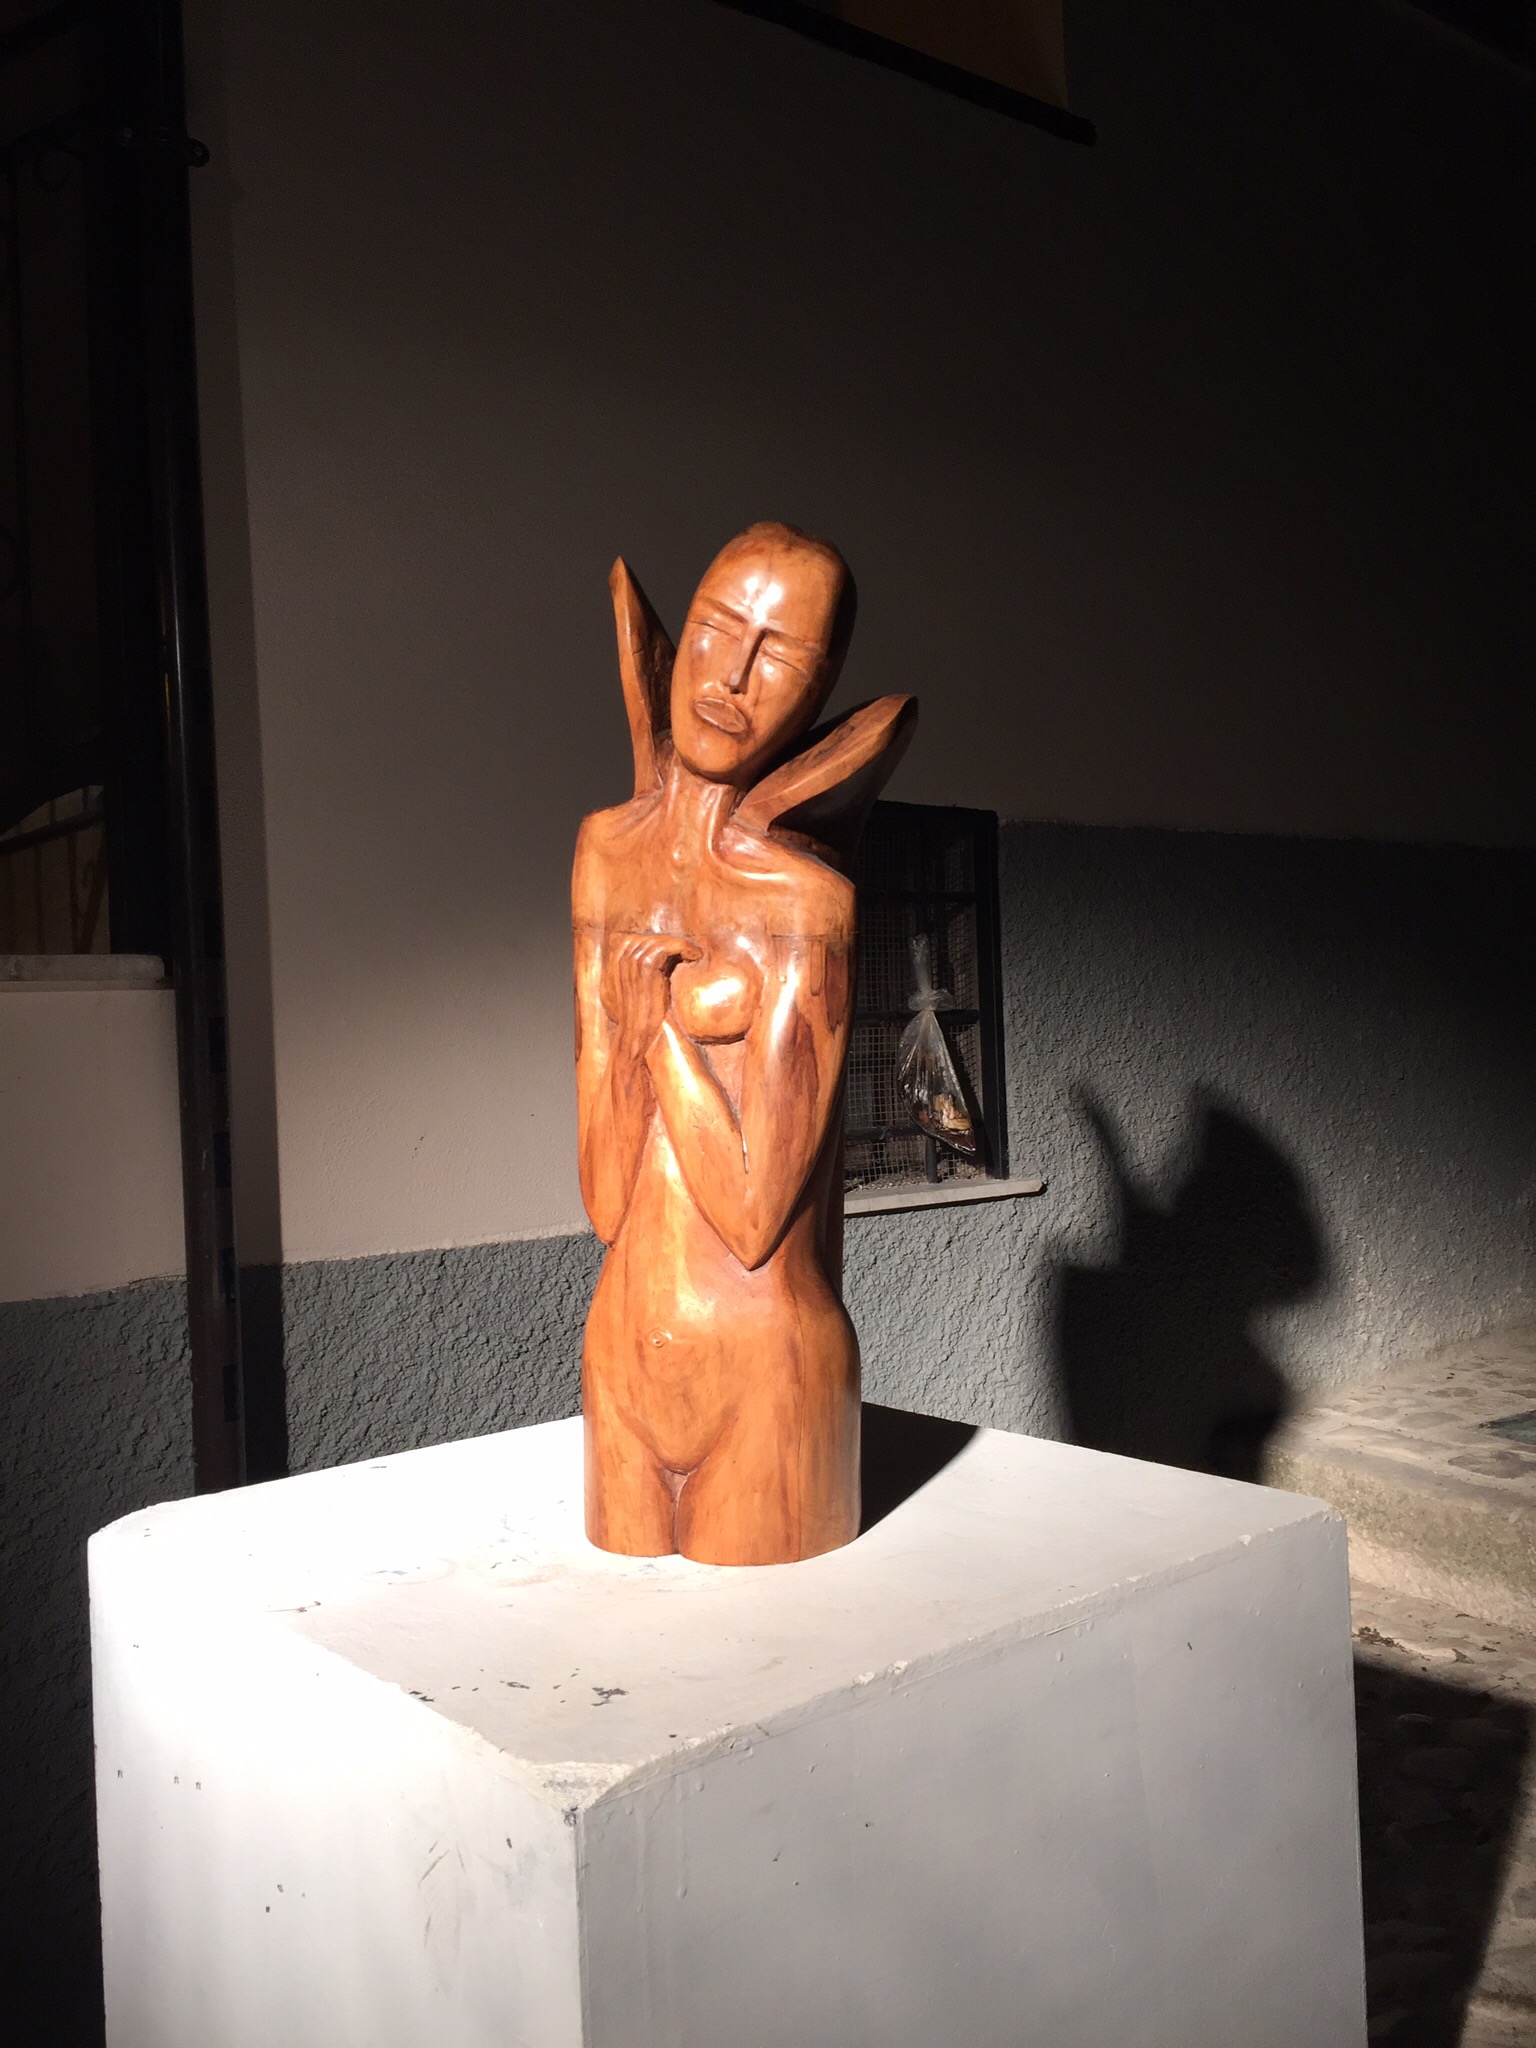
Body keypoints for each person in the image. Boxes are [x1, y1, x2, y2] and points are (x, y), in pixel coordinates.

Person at [573, 521, 913, 1563]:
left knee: (759, 1649)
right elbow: (603, 1198)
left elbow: (757, 1212)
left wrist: (657, 1041)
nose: (733, 677)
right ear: (680, 637)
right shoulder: (604, 854)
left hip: (768, 1370)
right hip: (620, 1360)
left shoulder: (805, 902)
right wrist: (633, 1036)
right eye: (720, 629)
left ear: (816, 698)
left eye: (782, 658)